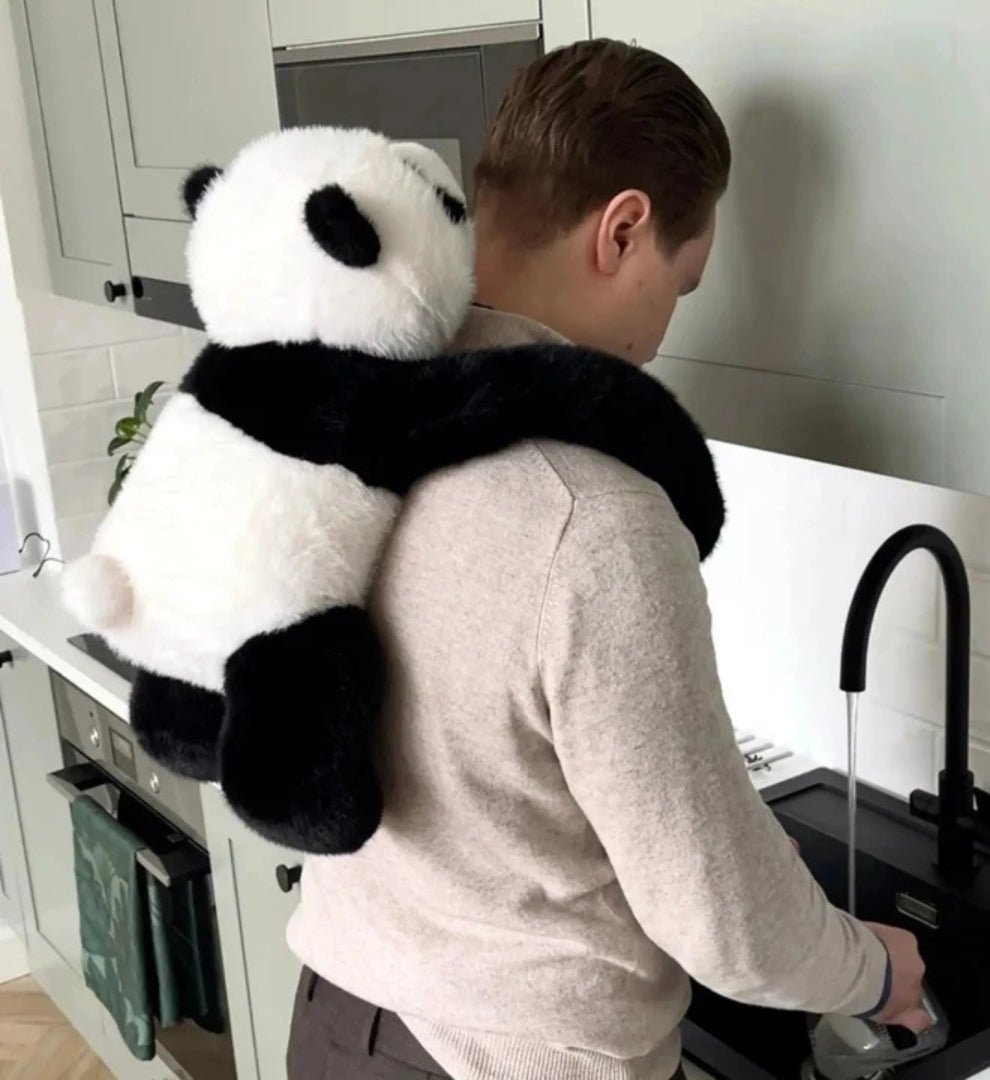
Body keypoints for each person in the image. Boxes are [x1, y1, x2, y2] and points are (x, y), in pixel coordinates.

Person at [285, 39, 928, 1080]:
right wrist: (871, 969)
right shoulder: (593, 516)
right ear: (623, 229)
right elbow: (724, 922)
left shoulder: (346, 401)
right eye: (681, 284)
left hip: (336, 1021)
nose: (662, 336)